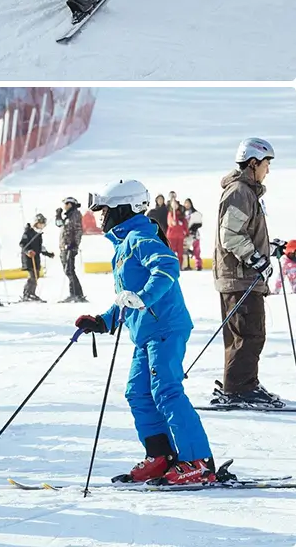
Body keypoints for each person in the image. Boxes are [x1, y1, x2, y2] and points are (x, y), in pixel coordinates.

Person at [76, 179, 215, 485]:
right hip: (144, 331)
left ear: (123, 209)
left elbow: (166, 267)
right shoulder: (123, 245)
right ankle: (161, 456)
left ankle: (198, 461)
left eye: (105, 211)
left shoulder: (141, 236)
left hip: (165, 327)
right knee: (137, 393)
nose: (101, 218)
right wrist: (102, 321)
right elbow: (129, 297)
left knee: (166, 391)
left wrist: (143, 298)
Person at [213, 137, 281, 408]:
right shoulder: (240, 191)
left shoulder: (246, 191)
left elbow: (242, 231)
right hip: (240, 277)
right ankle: (239, 389)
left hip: (241, 275)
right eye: (266, 164)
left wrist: (267, 247)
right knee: (249, 334)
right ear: (253, 163)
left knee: (245, 334)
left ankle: (243, 384)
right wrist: (255, 258)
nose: (268, 170)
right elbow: (229, 235)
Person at [55, 197, 86, 302]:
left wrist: (74, 244)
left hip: (70, 248)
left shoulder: (75, 214)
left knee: (69, 271)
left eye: (65, 204)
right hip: (64, 248)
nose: (64, 206)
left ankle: (75, 294)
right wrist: (58, 215)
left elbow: (78, 230)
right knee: (68, 271)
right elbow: (59, 225)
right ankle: (78, 294)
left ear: (70, 204)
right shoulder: (68, 215)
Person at [19, 214, 54, 302]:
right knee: (33, 276)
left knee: (36, 275)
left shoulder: (38, 233)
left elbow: (39, 247)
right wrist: (28, 251)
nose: (43, 226)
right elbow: (23, 244)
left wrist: (48, 254)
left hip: (36, 257)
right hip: (29, 258)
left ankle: (31, 293)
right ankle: (27, 294)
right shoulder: (28, 232)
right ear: (37, 223)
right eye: (41, 224)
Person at [166, 194, 188, 270]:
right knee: (171, 252)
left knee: (180, 253)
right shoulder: (170, 214)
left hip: (180, 236)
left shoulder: (181, 215)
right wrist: (173, 223)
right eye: (173, 205)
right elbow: (169, 222)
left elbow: (185, 224)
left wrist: (186, 232)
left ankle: (180, 266)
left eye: (176, 204)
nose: (175, 206)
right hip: (172, 236)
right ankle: (171, 266)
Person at [183, 199, 203, 272]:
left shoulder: (195, 213)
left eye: (188, 203)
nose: (187, 205)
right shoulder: (182, 213)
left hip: (195, 235)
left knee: (197, 250)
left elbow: (199, 222)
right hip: (185, 235)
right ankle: (186, 264)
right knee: (185, 250)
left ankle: (198, 265)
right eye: (186, 203)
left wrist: (194, 227)